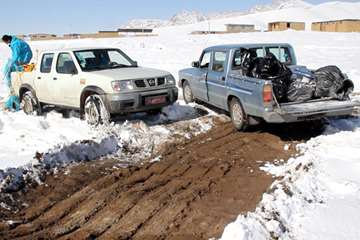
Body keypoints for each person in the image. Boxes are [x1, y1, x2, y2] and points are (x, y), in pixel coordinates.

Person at [2, 35, 33, 111]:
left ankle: (13, 102)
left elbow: (16, 56)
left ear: (8, 40)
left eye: (6, 43)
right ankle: (12, 100)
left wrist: (12, 64)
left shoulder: (15, 44)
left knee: (13, 82)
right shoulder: (16, 42)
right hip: (22, 59)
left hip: (23, 59)